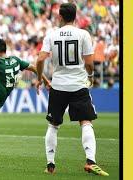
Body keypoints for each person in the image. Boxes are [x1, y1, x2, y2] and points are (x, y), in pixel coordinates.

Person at [35, 3, 109, 176]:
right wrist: (90, 77)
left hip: (58, 85)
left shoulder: (51, 35)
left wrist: (39, 78)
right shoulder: (83, 34)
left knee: (53, 125)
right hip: (78, 85)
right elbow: (89, 63)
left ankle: (50, 165)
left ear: (60, 17)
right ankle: (90, 161)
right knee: (86, 122)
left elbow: (40, 60)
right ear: (75, 16)